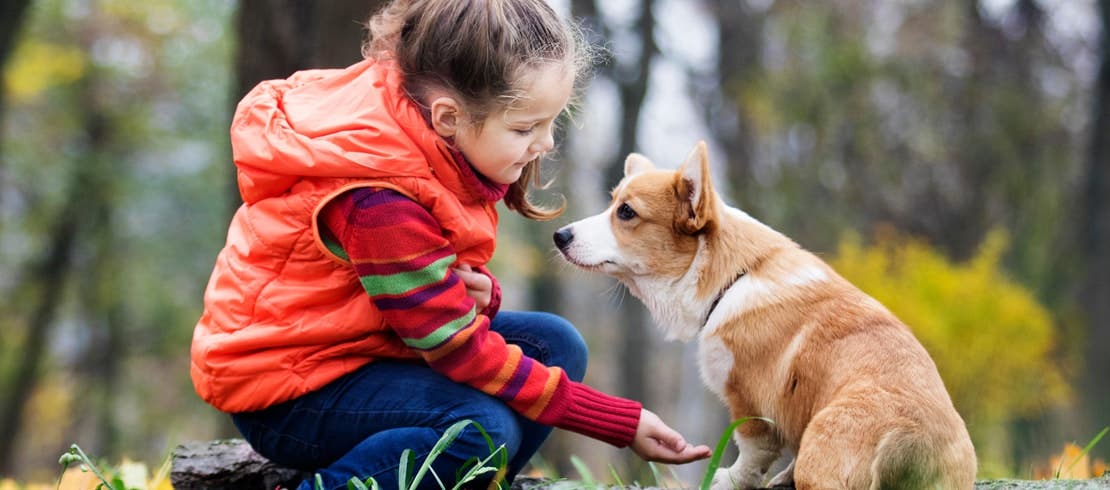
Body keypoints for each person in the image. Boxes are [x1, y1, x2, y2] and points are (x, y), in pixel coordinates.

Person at [189, 0, 712, 488]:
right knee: (482, 430)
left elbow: (412, 291)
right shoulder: (379, 199)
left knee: (557, 344)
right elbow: (457, 348)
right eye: (527, 126)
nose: (546, 143)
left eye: (553, 122)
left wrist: (472, 292)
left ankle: (474, 482)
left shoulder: (420, 124)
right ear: (449, 117)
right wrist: (618, 421)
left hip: (359, 346)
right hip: (291, 391)